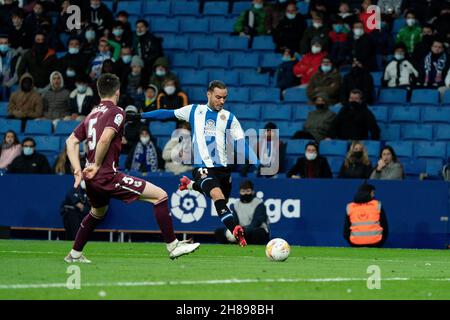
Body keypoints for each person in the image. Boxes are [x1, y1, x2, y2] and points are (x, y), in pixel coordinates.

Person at [64, 73, 200, 263]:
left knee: (97, 213)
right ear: (117, 92)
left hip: (91, 177)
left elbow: (71, 141)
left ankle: (74, 254)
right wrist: (96, 164)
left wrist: (78, 170)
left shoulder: (91, 115)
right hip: (106, 175)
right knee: (160, 196)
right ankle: (173, 245)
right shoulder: (116, 111)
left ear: (98, 91)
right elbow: (105, 138)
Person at [130, 80, 262, 247]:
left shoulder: (229, 118)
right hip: (202, 167)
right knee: (217, 195)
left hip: (223, 169)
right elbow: (166, 113)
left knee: (222, 199)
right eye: (218, 97)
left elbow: (240, 143)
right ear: (208, 94)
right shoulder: (194, 110)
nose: (222, 101)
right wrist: (140, 116)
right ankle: (235, 229)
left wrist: (256, 161)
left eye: (224, 98)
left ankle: (190, 186)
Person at [215, 180, 270, 245]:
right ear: (240, 192)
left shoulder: (259, 203)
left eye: (248, 191)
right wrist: (233, 230)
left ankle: (242, 241)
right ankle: (235, 242)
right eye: (243, 191)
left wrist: (243, 231)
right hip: (241, 231)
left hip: (254, 230)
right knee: (219, 232)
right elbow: (235, 221)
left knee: (258, 233)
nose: (245, 193)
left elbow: (257, 222)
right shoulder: (237, 204)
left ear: (252, 191)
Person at [0, 33, 22, 100]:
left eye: (5, 43)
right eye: (1, 43)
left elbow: (17, 75)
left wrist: (7, 84)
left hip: (12, 81)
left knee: (14, 89)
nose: (3, 45)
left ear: (9, 44)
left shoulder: (16, 56)